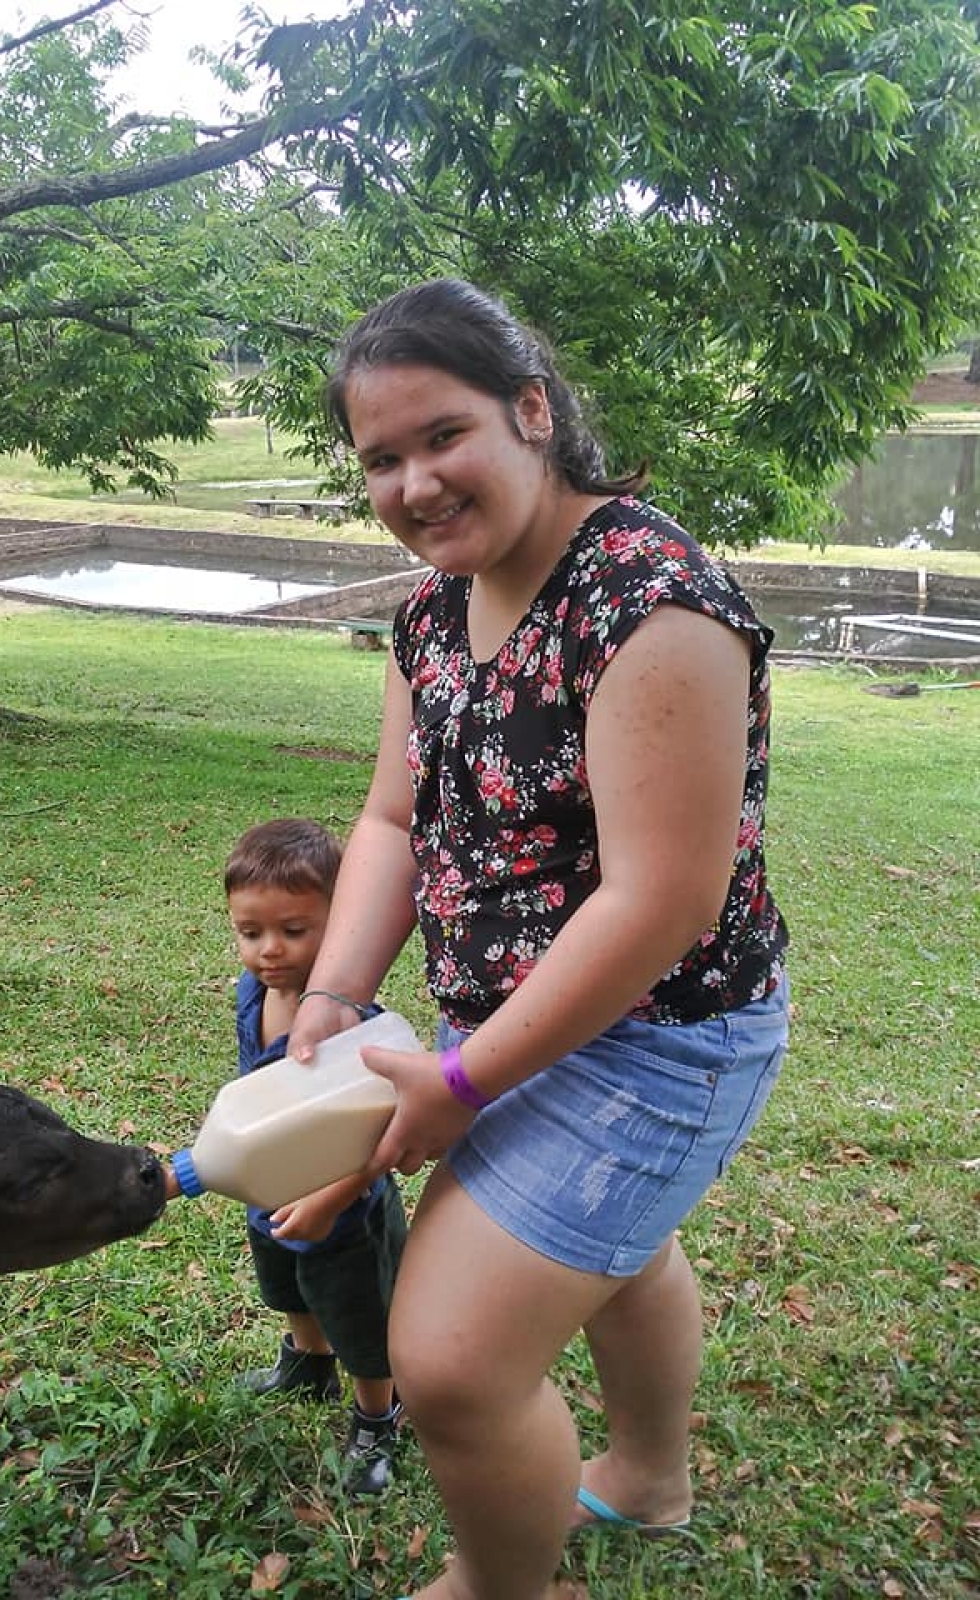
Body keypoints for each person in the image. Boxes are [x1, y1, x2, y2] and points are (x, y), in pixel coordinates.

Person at [287, 279, 789, 1600]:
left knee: (450, 1366)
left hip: (660, 1040)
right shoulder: (435, 610)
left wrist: (462, 1084)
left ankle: (504, 1587)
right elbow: (395, 815)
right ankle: (649, 1479)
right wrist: (336, 991)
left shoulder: (651, 601)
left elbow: (659, 902)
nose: (413, 485)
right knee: (622, 1256)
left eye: (442, 436)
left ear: (532, 410)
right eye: (380, 460)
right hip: (512, 1018)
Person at [224, 816, 407, 1496]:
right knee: (288, 1287)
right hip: (270, 1188)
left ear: (341, 923)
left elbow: (382, 1136)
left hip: (344, 1211)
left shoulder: (351, 1025)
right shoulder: (254, 994)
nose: (269, 950)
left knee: (359, 1313)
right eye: (250, 933)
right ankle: (305, 1362)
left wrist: (327, 1199)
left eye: (294, 931)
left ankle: (376, 1416)